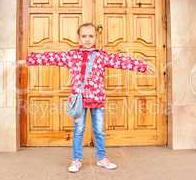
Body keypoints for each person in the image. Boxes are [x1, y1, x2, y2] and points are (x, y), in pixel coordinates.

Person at [20, 22, 155, 173]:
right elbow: (51, 57)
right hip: (79, 101)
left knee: (98, 130)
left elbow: (121, 61)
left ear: (96, 37)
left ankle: (102, 159)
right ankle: (76, 160)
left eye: (91, 36)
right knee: (79, 130)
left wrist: (142, 66)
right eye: (84, 36)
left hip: (97, 99)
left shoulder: (102, 56)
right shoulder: (71, 55)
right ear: (78, 38)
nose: (87, 39)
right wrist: (27, 61)